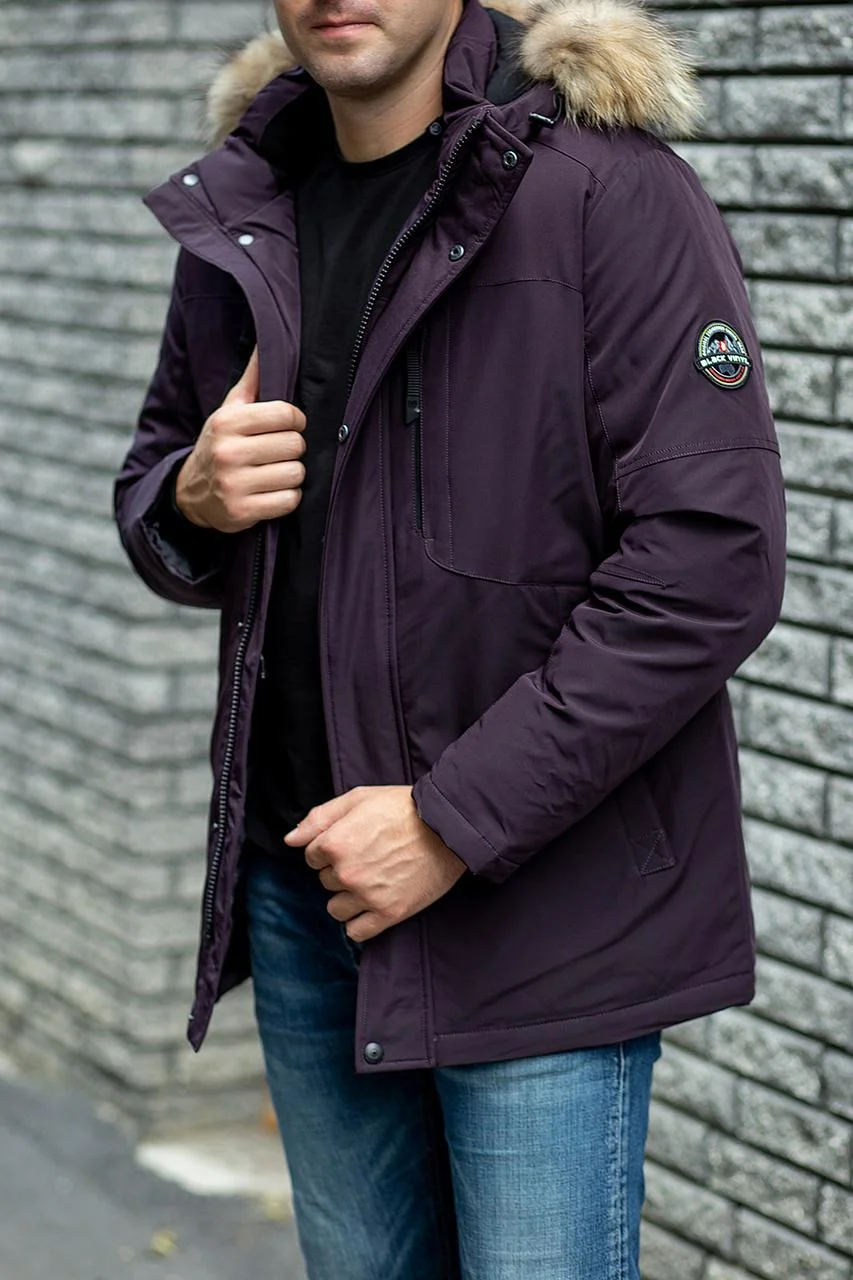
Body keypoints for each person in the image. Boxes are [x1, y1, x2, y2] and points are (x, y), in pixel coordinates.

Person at [114, 1, 787, 1275]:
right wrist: (192, 499)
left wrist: (446, 821)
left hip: (541, 917)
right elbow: (156, 488)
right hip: (309, 894)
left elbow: (711, 559)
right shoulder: (250, 205)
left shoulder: (605, 191)